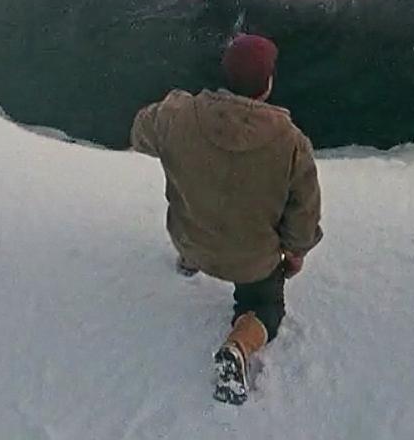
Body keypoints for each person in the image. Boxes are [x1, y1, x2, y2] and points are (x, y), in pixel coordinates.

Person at [130, 33, 323, 406]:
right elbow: (304, 213)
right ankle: (237, 348)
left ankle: (189, 263)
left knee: (198, 219)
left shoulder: (178, 115)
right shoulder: (291, 143)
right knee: (267, 309)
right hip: (251, 262)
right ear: (267, 85)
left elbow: (140, 132)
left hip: (188, 238)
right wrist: (296, 253)